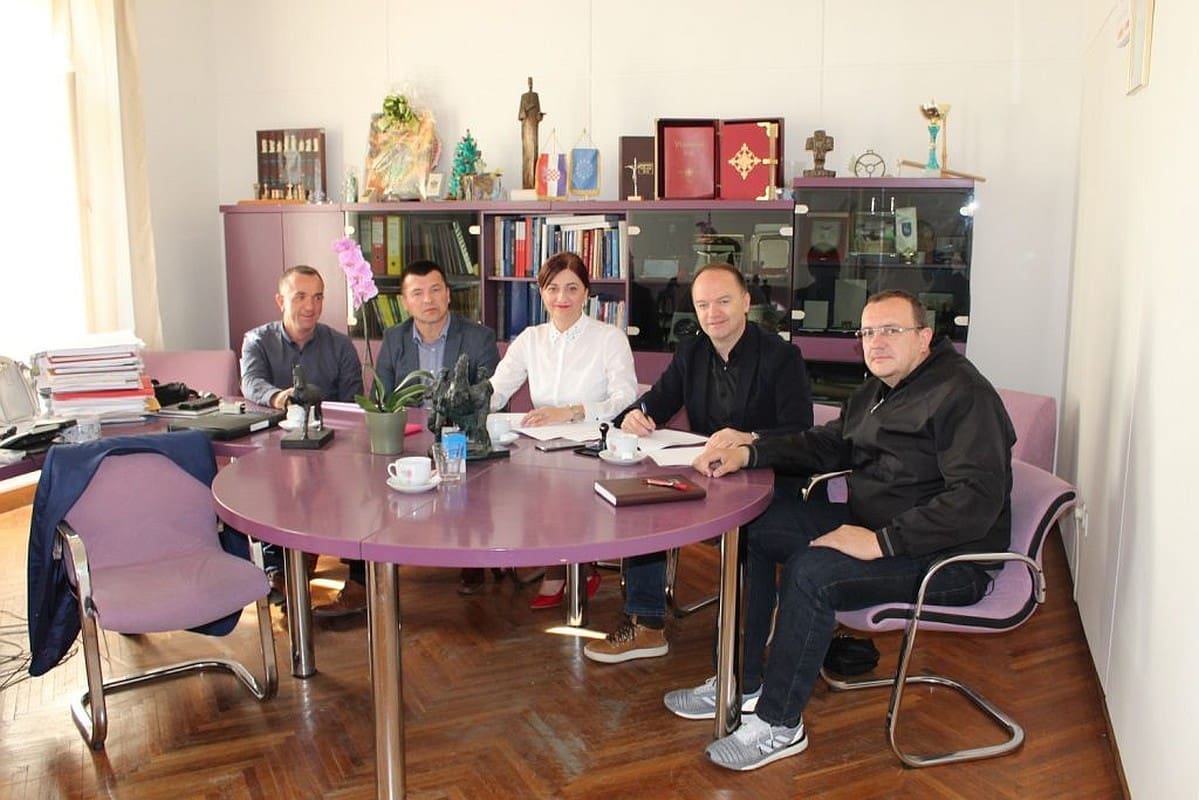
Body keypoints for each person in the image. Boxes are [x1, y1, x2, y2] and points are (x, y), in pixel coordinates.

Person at [664, 289, 1016, 772]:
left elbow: (976, 500)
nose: (877, 342)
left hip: (946, 556)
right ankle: (741, 682)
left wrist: (879, 542)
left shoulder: (963, 394)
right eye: (868, 332)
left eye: (891, 330)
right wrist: (751, 451)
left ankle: (780, 724)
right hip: (879, 528)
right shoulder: (880, 389)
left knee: (812, 572)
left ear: (925, 337)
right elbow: (827, 445)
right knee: (754, 526)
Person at [583, 263, 813, 664]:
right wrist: (636, 416)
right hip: (707, 476)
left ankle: (746, 642)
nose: (713, 313)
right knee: (640, 505)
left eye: (723, 301)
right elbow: (657, 402)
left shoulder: (781, 356)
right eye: (703, 305)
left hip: (764, 478)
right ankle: (646, 625)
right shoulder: (691, 352)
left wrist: (749, 437)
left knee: (753, 534)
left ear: (746, 302)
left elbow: (800, 430)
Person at [315, 260, 500, 615]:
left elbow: (485, 395)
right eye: (417, 293)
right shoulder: (395, 337)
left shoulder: (478, 337)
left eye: (435, 290)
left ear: (448, 295)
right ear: (405, 302)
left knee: (469, 477)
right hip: (408, 438)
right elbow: (382, 396)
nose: (428, 299)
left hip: (458, 436)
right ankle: (361, 580)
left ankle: (471, 558)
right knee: (369, 488)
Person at [489, 251, 638, 608]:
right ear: (541, 291)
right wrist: (469, 401)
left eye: (572, 288)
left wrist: (571, 411)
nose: (562, 297)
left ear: (586, 292)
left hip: (593, 447)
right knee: (505, 487)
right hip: (539, 449)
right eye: (553, 288)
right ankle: (568, 565)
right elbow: (497, 390)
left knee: (555, 492)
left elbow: (625, 397)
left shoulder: (609, 338)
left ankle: (565, 569)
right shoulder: (530, 339)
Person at [240, 265, 364, 599]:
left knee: (361, 485)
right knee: (266, 485)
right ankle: (278, 570)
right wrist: (279, 397)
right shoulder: (257, 341)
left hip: (333, 449)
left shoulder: (340, 345)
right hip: (278, 448)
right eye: (300, 297)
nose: (310, 306)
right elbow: (251, 382)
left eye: (318, 297)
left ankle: (359, 580)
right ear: (280, 301)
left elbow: (354, 401)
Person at [518, 76, 544, 190]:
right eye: (529, 82)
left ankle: (534, 183)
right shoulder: (523, 97)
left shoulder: (536, 96)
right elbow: (520, 115)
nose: (530, 84)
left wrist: (539, 116)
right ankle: (527, 183)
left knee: (535, 153)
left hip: (534, 127)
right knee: (527, 154)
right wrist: (527, 108)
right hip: (526, 127)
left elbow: (538, 114)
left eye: (531, 82)